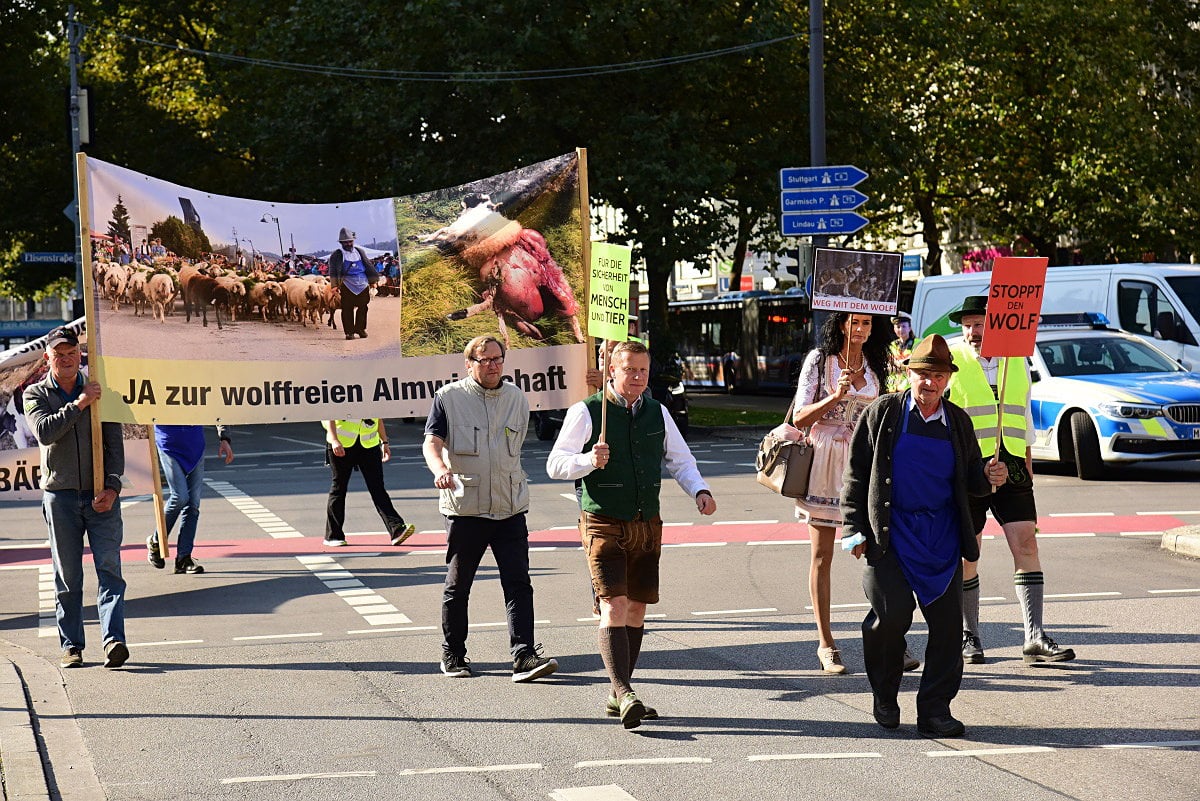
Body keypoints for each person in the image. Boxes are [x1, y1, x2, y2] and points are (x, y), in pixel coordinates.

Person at [841, 334, 1009, 737]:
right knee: (889, 619)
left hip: (942, 537)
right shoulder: (883, 413)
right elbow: (855, 472)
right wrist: (853, 528)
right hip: (890, 534)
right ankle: (884, 694)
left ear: (948, 378)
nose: (929, 383)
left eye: (937, 375)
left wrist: (988, 476)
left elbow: (971, 477)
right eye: (922, 374)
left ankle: (935, 711)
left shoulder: (958, 421)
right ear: (908, 375)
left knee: (949, 631)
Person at [547, 340, 715, 729]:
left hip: (646, 521)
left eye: (643, 370)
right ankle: (624, 692)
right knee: (614, 605)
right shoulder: (587, 411)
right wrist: (589, 460)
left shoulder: (658, 411)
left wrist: (700, 490)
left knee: (637, 608)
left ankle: (618, 691)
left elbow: (680, 459)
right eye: (629, 370)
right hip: (602, 519)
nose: (638, 377)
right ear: (611, 371)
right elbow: (555, 464)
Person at [947, 295, 1075, 665]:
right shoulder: (952, 359)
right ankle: (968, 635)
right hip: (969, 469)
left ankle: (1034, 637)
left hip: (1013, 464)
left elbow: (1024, 415)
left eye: (979, 323)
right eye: (967, 324)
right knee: (969, 554)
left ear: (996, 324)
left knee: (1027, 547)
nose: (973, 331)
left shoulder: (1017, 359)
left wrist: (1028, 465)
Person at [423, 335, 558, 682]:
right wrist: (440, 470)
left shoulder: (516, 397)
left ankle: (524, 655)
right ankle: (453, 653)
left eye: (498, 358)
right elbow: (432, 443)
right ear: (469, 364)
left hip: (510, 506)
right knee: (459, 585)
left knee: (518, 583)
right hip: (467, 507)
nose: (494, 365)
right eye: (485, 360)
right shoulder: (448, 398)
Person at [791, 312, 891, 674]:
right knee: (822, 555)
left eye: (867, 323)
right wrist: (835, 395)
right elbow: (800, 418)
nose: (860, 329)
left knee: (878, 550)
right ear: (841, 324)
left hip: (864, 463)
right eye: (854, 322)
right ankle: (826, 643)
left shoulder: (878, 364)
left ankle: (890, 635)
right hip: (825, 462)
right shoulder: (820, 361)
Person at [24, 326, 129, 669]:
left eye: (72, 354)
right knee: (68, 577)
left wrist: (112, 487)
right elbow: (45, 432)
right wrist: (80, 403)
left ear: (80, 355)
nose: (67, 360)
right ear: (47, 358)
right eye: (59, 355)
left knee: (110, 570)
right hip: (61, 497)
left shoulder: (103, 392)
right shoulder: (35, 394)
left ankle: (114, 641)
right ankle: (72, 645)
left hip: (101, 497)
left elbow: (115, 446)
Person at [146, 425, 235, 574]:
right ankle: (157, 541)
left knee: (193, 504)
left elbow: (216, 404)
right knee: (180, 496)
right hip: (168, 442)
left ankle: (183, 558)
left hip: (194, 444)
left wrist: (224, 437)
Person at [322, 418, 415, 548]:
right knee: (339, 488)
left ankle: (396, 528)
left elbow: (377, 417)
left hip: (369, 444)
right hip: (343, 443)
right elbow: (328, 414)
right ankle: (333, 535)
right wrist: (334, 439)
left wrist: (384, 441)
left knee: (378, 488)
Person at [329, 227, 379, 340]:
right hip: (347, 285)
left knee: (363, 307)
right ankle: (349, 332)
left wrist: (372, 281)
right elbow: (333, 271)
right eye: (345, 242)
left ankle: (360, 329)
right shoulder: (337, 255)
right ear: (341, 243)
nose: (348, 243)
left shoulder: (360, 251)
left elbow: (368, 266)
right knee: (347, 308)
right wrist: (334, 285)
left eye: (350, 241)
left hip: (362, 284)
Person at [887, 312, 916, 392]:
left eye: (904, 326)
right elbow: (887, 366)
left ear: (910, 328)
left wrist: (898, 366)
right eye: (898, 327)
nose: (901, 329)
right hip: (892, 390)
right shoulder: (892, 346)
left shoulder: (917, 343)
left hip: (909, 389)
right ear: (894, 329)